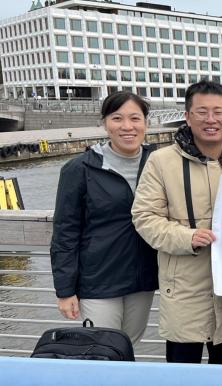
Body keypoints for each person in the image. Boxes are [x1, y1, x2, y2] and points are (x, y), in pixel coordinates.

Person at [132, 80, 222, 364]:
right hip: (184, 288)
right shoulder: (161, 161)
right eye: (202, 112)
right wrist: (186, 237)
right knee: (181, 371)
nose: (210, 119)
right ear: (187, 116)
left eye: (218, 112)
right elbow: (144, 216)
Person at [51, 91, 157, 346]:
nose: (127, 126)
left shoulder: (158, 163)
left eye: (135, 118)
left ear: (146, 123)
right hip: (99, 280)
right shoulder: (80, 169)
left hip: (143, 277)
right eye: (117, 118)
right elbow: (65, 232)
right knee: (103, 348)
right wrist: (65, 291)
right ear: (104, 123)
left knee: (129, 345)